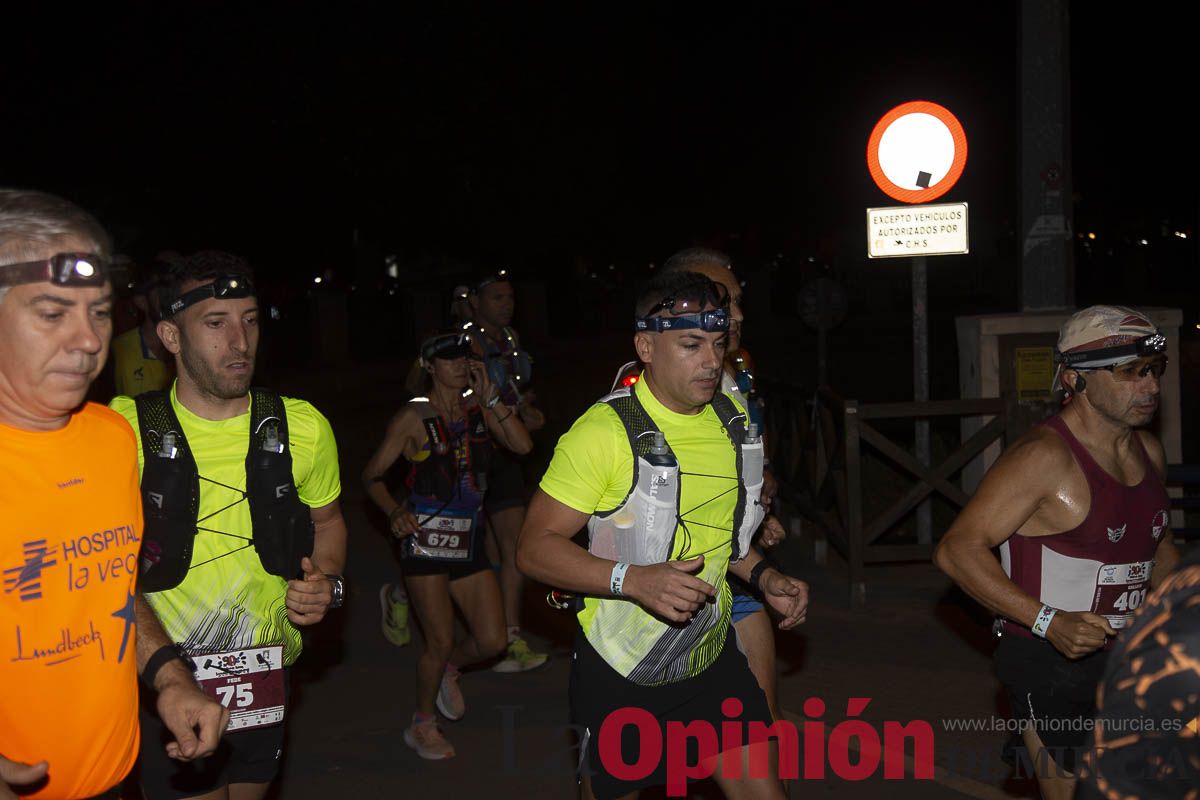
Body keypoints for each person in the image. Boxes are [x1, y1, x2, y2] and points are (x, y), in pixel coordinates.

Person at [518, 268, 809, 799]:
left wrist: (763, 576)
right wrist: (635, 580)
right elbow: (534, 549)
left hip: (709, 652)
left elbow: (723, 539)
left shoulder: (733, 419)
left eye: (718, 343)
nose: (710, 360)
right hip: (620, 665)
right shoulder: (602, 433)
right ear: (645, 347)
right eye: (691, 344)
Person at [0, 190, 227, 800]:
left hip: (119, 781)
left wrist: (170, 677)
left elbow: (108, 589)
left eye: (99, 312)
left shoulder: (113, 438)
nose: (88, 341)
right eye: (52, 313)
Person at [110, 250, 347, 800]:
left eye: (250, 320)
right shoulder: (123, 430)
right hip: (162, 680)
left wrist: (328, 584)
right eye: (216, 324)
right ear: (170, 336)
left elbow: (329, 522)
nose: (240, 343)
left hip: (264, 674)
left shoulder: (302, 426)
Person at [934, 305, 1181, 800]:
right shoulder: (1043, 458)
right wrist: (1048, 621)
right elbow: (957, 551)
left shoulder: (1148, 452)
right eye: (1130, 373)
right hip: (1049, 661)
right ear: (1076, 379)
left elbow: (1157, 548)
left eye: (1153, 371)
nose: (1150, 387)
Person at [363, 331, 531, 759]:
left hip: (468, 541)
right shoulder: (413, 417)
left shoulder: (478, 407)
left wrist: (493, 396)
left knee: (493, 641)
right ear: (429, 368)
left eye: (465, 359)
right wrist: (393, 513)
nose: (460, 365)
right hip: (425, 543)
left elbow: (522, 445)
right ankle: (422, 724)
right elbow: (371, 477)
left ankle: (448, 671)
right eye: (450, 360)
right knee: (437, 641)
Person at [659, 248, 787, 724]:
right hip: (673, 580)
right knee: (649, 747)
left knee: (762, 723)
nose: (736, 313)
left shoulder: (737, 368)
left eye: (736, 299)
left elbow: (748, 450)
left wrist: (760, 505)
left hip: (737, 569)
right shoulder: (643, 385)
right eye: (721, 299)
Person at [467, 269, 549, 672]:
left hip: (506, 456)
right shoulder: (463, 341)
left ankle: (508, 636)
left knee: (513, 543)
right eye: (497, 297)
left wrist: (523, 413)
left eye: (510, 296)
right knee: (458, 550)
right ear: (475, 302)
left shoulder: (511, 340)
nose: (506, 304)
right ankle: (402, 592)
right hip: (466, 455)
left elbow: (515, 392)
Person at [1076, 543, 1199, 799]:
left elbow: (1161, 543)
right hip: (1055, 658)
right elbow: (969, 544)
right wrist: (1045, 621)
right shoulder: (1187, 651)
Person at [110, 258, 173, 397]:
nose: (170, 298)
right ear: (142, 301)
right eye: (162, 291)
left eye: (173, 289)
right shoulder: (119, 350)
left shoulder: (190, 347)